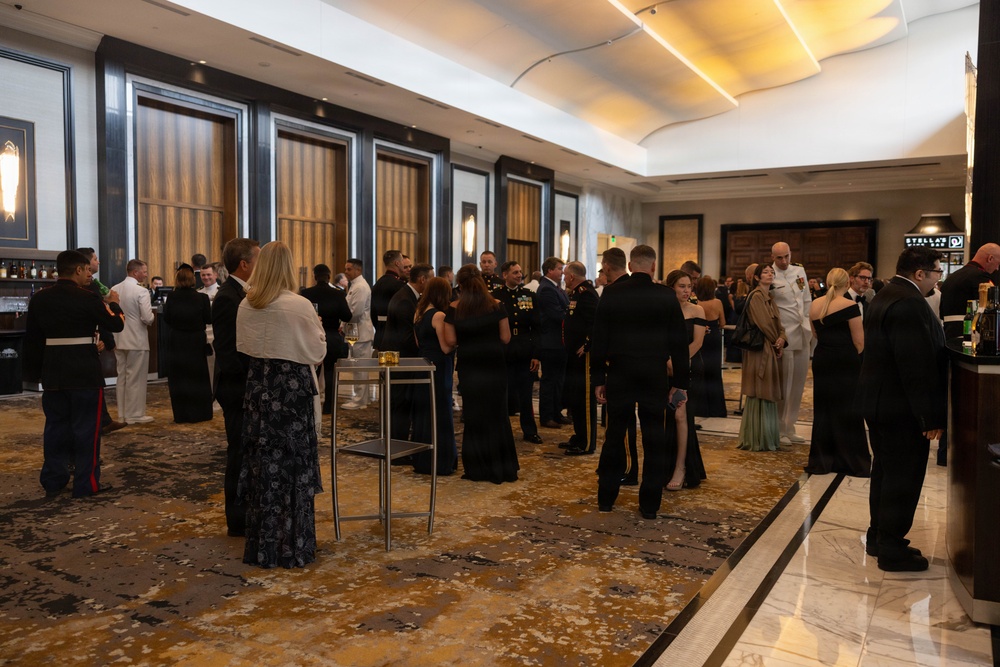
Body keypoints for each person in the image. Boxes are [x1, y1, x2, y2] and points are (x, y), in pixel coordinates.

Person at [236, 241, 327, 569]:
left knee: (264, 469)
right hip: (289, 393)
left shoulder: (248, 302)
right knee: (292, 468)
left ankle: (263, 545)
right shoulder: (298, 305)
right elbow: (316, 352)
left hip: (260, 388)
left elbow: (243, 346)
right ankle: (293, 545)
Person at [860, 246, 947, 572]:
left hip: (881, 402)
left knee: (884, 471)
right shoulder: (909, 302)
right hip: (900, 408)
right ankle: (892, 548)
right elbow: (915, 365)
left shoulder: (887, 294)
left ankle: (879, 536)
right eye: (937, 272)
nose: (939, 278)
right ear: (920, 273)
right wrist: (929, 416)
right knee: (902, 476)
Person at [591, 246, 689, 518]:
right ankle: (649, 505)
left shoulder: (611, 293)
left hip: (620, 373)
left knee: (614, 436)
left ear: (631, 265)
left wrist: (599, 377)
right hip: (653, 374)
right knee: (653, 437)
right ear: (654, 267)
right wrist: (680, 383)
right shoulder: (666, 296)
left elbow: (600, 339)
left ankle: (606, 499)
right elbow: (679, 343)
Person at [24, 250, 125, 498]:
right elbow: (117, 323)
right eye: (88, 270)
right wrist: (113, 302)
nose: (89, 274)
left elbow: (33, 340)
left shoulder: (40, 298)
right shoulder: (88, 298)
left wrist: (36, 374)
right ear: (78, 270)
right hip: (84, 372)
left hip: (53, 372)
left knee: (55, 428)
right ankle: (86, 483)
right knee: (86, 429)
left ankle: (53, 480)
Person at [444, 264, 519, 483]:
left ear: (460, 284)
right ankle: (501, 468)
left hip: (470, 367)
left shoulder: (454, 308)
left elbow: (451, 341)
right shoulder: (496, 305)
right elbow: (505, 338)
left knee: (475, 417)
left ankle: (477, 468)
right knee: (497, 416)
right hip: (494, 366)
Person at [212, 237, 261, 537]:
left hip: (246, 387)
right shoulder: (229, 297)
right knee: (239, 454)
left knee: (248, 452)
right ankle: (237, 519)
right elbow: (229, 353)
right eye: (258, 260)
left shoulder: (242, 292)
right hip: (237, 388)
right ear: (244, 264)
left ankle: (249, 512)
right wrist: (251, 386)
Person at [805, 267, 868, 476]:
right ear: (846, 283)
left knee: (824, 410)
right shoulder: (850, 305)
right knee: (848, 409)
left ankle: (823, 459)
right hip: (845, 361)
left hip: (822, 359)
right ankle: (851, 459)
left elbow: (815, 334)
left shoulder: (815, 304)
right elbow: (859, 342)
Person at [74, 247, 126, 435]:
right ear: (83, 267)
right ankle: (99, 423)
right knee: (91, 388)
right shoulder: (90, 290)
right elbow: (108, 320)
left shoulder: (94, 284)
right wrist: (114, 304)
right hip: (84, 349)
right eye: (95, 259)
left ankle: (103, 419)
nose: (98, 262)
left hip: (84, 345)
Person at [598, 247, 639, 484]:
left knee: (621, 422)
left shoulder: (613, 292)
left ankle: (626, 469)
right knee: (618, 422)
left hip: (621, 367)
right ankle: (617, 465)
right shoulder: (633, 290)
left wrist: (599, 375)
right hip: (637, 365)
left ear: (606, 266)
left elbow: (604, 334)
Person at [664, 270, 707, 490]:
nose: (686, 290)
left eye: (689, 286)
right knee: (668, 417)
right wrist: (666, 360)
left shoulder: (696, 309)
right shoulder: (664, 310)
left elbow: (698, 342)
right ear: (671, 287)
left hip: (689, 368)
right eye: (682, 286)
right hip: (665, 367)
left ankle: (681, 469)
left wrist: (677, 363)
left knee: (682, 415)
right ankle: (669, 466)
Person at [736, 263, 787, 452]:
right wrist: (778, 340)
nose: (770, 274)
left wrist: (782, 338)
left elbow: (779, 322)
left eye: (771, 272)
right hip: (761, 349)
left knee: (767, 390)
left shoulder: (770, 297)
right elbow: (764, 324)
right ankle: (757, 439)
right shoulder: (756, 296)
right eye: (765, 272)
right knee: (760, 390)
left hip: (771, 346)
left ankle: (766, 437)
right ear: (756, 277)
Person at [411, 277, 457, 476]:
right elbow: (446, 347)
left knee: (424, 413)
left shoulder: (418, 313)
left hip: (423, 364)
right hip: (439, 367)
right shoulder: (438, 315)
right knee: (440, 412)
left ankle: (423, 459)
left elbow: (418, 344)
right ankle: (440, 461)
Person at [493, 261, 542, 444]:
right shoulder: (495, 296)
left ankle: (530, 431)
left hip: (524, 350)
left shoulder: (529, 296)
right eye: (515, 272)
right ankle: (500, 431)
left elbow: (537, 328)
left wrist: (536, 354)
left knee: (525, 393)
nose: (519, 275)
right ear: (505, 275)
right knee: (502, 393)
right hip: (504, 350)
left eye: (520, 272)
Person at [383, 263, 433, 442]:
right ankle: (398, 448)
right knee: (401, 405)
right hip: (400, 360)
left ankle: (399, 444)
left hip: (401, 358)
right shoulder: (405, 299)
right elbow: (406, 337)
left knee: (402, 405)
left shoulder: (409, 296)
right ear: (422, 280)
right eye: (431, 278)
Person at [770, 242, 811, 444]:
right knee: (783, 385)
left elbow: (807, 299)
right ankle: (779, 428)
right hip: (783, 336)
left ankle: (790, 426)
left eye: (786, 256)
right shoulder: (769, 276)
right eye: (779, 258)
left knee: (798, 384)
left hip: (803, 332)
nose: (784, 261)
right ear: (772, 257)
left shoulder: (799, 270)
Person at [162, 266, 214, 423]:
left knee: (179, 377)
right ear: (193, 280)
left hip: (177, 340)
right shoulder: (202, 298)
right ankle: (201, 413)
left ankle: (181, 414)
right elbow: (208, 319)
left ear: (177, 280)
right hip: (196, 341)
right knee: (197, 377)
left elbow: (167, 318)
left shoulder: (171, 297)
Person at [300, 263, 353, 415]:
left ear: (314, 277)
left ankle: (311, 405)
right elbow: (347, 316)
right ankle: (329, 407)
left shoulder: (306, 294)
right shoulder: (338, 294)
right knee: (330, 371)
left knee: (312, 372)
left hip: (312, 336)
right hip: (332, 336)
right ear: (329, 277)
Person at [112, 259, 156, 425]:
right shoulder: (141, 291)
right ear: (135, 272)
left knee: (122, 377)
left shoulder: (114, 289)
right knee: (136, 378)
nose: (146, 274)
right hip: (137, 339)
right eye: (144, 271)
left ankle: (122, 414)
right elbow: (146, 317)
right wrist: (151, 318)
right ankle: (135, 414)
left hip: (119, 338)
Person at [562, 261, 599, 456]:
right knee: (575, 398)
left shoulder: (587, 294)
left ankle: (587, 443)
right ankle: (579, 436)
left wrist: (586, 345)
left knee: (584, 399)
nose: (564, 278)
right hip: (573, 355)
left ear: (572, 277)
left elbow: (595, 323)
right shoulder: (576, 293)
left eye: (565, 275)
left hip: (583, 356)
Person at [939, 242, 1000, 340]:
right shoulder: (981, 278)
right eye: (998, 264)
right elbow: (990, 309)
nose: (997, 268)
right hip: (968, 335)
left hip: (947, 335)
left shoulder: (952, 277)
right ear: (990, 258)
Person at [536, 256, 569, 428]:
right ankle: (547, 415)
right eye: (559, 268)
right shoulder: (547, 289)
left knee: (558, 380)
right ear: (549, 270)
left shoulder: (555, 287)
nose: (562, 272)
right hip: (551, 342)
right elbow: (557, 314)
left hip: (558, 342)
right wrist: (571, 316)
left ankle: (556, 413)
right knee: (549, 381)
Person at [342, 257, 376, 409]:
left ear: (358, 270)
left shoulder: (360, 287)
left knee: (360, 368)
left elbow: (356, 312)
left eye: (349, 269)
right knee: (358, 366)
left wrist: (343, 325)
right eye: (346, 269)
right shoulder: (354, 286)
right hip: (354, 330)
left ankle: (359, 400)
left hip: (359, 331)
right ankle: (363, 398)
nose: (346, 272)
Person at [694, 275, 728, 418]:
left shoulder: (696, 304)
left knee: (701, 372)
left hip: (700, 338)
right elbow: (722, 323)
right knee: (714, 373)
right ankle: (717, 409)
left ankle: (702, 409)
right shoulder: (717, 302)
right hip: (714, 338)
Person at [371, 249, 407, 351]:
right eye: (402, 261)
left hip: (379, 333)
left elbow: (372, 312)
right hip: (395, 336)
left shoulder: (377, 284)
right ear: (397, 263)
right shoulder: (399, 285)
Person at [726, 279, 750, 364]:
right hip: (744, 318)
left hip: (735, 317)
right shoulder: (748, 298)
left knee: (733, 336)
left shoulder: (734, 297)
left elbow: (734, 308)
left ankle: (732, 357)